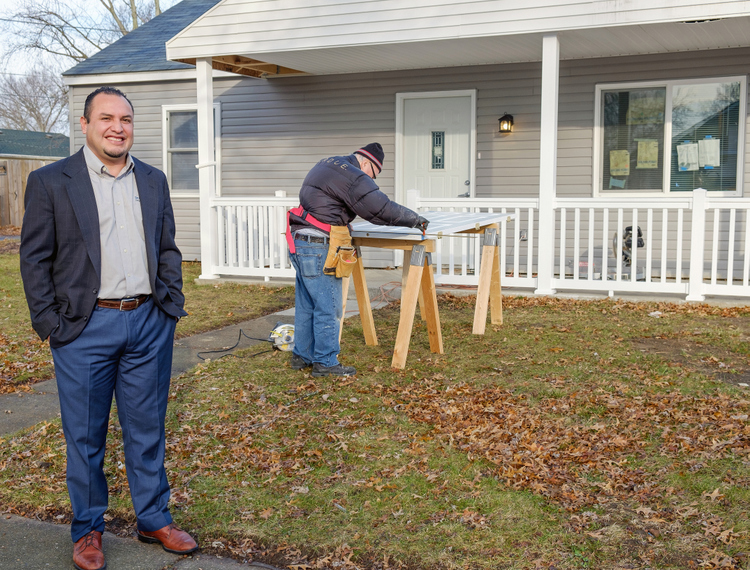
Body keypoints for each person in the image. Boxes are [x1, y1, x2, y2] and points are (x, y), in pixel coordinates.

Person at [20, 86, 197, 570]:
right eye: (106, 118)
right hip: (83, 328)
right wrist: (50, 324)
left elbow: (167, 248)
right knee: (85, 436)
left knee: (146, 430)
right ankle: (88, 531)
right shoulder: (52, 181)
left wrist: (169, 305)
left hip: (148, 323)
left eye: (126, 119)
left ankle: (153, 517)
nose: (118, 127)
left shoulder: (154, 180)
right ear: (85, 124)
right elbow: (34, 259)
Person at [287, 143, 429, 377]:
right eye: (373, 175)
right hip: (320, 245)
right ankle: (325, 362)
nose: (371, 180)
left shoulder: (328, 162)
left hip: (300, 241)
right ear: (366, 164)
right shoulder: (353, 176)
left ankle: (302, 355)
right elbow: (381, 208)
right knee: (328, 306)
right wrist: (414, 219)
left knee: (307, 304)